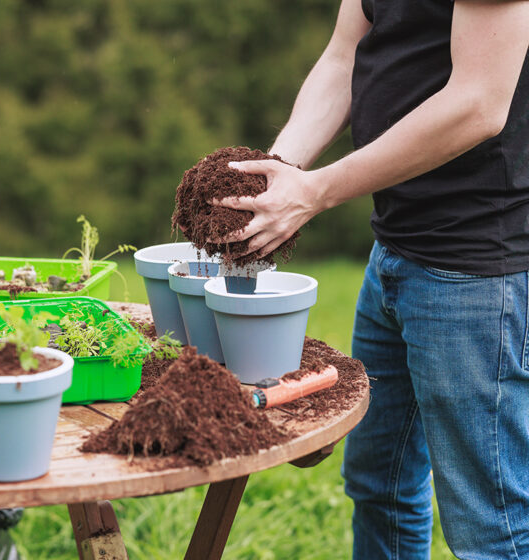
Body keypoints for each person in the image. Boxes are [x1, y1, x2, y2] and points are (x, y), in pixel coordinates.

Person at [213, 0, 529, 558]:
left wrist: (315, 191)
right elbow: (344, 57)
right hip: (394, 252)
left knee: (492, 525)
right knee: (378, 487)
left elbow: (478, 104)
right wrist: (281, 169)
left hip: (476, 272)